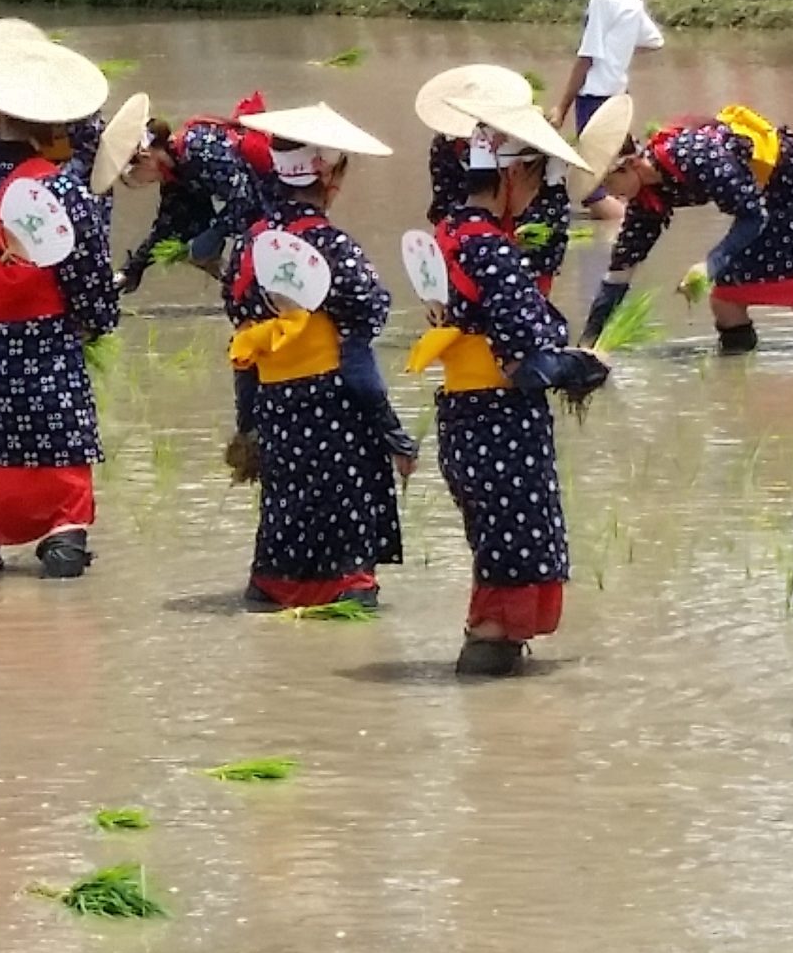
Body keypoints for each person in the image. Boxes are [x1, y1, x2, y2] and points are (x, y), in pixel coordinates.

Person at [410, 93, 610, 675]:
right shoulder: (492, 249)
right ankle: (489, 685)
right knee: (516, 554)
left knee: (495, 553)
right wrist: (585, 367)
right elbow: (530, 364)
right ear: (516, 173)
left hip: (461, 420)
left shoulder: (445, 235)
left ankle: (487, 679)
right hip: (501, 424)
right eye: (541, 177)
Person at [0, 24, 118, 577]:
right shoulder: (64, 189)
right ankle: (63, 540)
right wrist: (95, 324)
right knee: (56, 447)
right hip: (46, 348)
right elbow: (88, 278)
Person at [223, 103, 409, 611]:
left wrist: (249, 426)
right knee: (344, 518)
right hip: (335, 407)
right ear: (327, 173)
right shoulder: (333, 246)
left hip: (276, 407)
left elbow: (245, 348)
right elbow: (358, 350)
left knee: (284, 508)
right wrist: (393, 432)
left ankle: (273, 588)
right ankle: (345, 597)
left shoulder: (247, 247)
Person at [589, 104, 793, 354]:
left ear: (632, 165)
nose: (613, 196)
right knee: (726, 299)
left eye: (611, 184)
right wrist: (591, 339)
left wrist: (709, 265)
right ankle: (738, 380)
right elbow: (621, 269)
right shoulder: (647, 199)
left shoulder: (693, 156)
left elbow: (751, 217)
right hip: (765, 200)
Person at [418, 64, 570, 290]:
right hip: (477, 223)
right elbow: (445, 197)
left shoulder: (525, 139)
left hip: (526, 225)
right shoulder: (446, 144)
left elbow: (552, 197)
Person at [547, 0, 661, 221]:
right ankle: (641, 218)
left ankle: (621, 226)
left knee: (593, 188)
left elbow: (585, 59)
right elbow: (652, 40)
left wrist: (561, 107)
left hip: (595, 98)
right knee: (624, 171)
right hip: (618, 97)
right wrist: (617, 52)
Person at [110, 96, 276, 288]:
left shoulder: (197, 151)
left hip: (275, 193)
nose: (137, 181)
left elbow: (245, 201)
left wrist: (216, 232)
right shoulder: (175, 170)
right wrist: (132, 269)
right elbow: (169, 226)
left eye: (133, 173)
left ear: (146, 157)